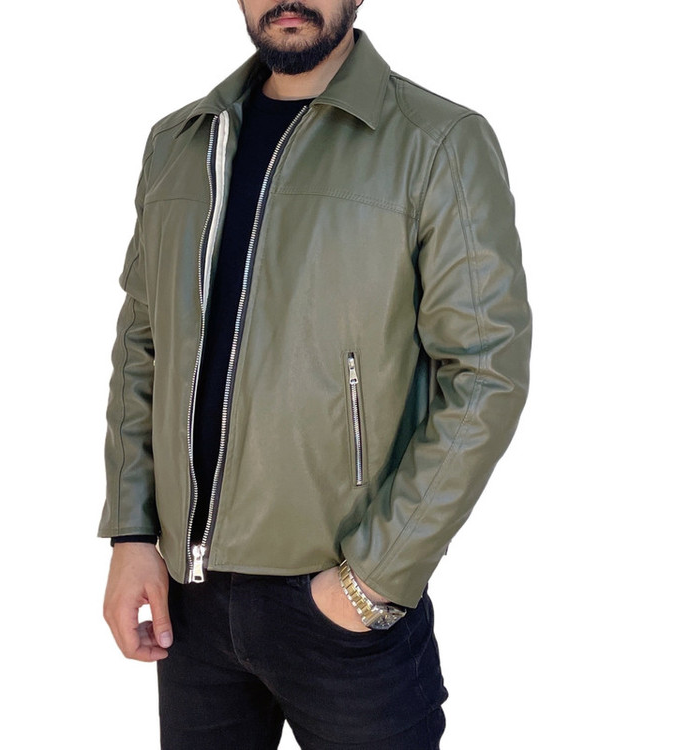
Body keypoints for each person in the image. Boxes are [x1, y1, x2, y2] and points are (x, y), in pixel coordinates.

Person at [99, 1, 532, 747]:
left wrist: (373, 580)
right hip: (189, 605)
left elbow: (487, 372)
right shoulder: (180, 142)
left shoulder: (436, 142)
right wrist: (132, 533)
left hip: (345, 608)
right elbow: (143, 344)